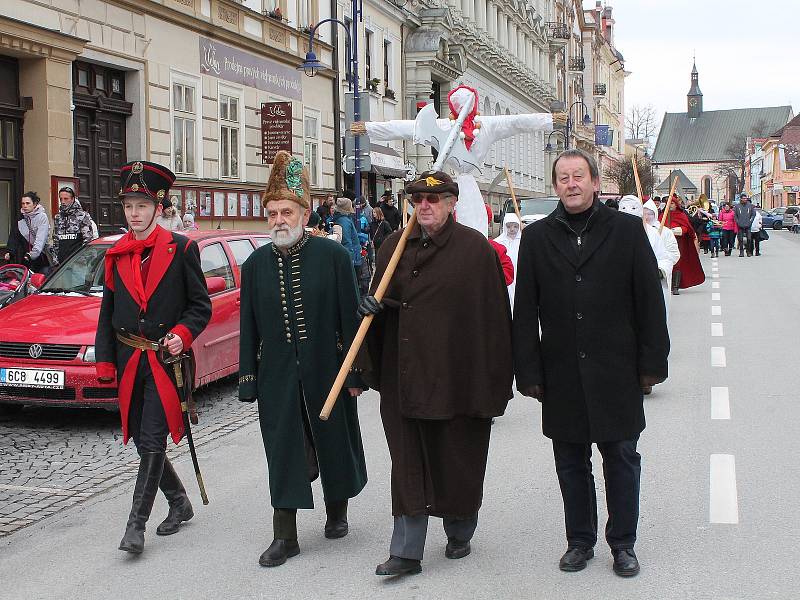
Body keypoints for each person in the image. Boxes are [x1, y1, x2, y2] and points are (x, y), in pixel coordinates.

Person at [513, 149, 669, 578]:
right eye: (562, 177)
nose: (571, 184)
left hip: (615, 369)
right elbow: (525, 309)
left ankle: (623, 543)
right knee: (570, 460)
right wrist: (528, 371)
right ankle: (580, 540)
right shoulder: (537, 237)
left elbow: (649, 302)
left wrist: (652, 363)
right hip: (561, 371)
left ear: (596, 182)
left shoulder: (627, 230)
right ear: (556, 185)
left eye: (578, 176)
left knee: (621, 456)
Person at [357, 170, 513, 577]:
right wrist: (372, 311)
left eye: (434, 199)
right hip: (404, 376)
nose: (424, 206)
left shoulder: (475, 251)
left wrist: (496, 382)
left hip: (457, 378)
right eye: (417, 200)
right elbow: (379, 304)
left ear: (450, 204)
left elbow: (494, 320)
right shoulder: (393, 246)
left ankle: (460, 526)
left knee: (455, 457)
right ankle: (406, 551)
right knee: (406, 463)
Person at [238, 151, 367, 568]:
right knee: (283, 449)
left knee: (332, 438)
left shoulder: (333, 258)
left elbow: (350, 319)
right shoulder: (255, 265)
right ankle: (285, 535)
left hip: (326, 368)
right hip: (276, 375)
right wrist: (248, 377)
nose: (278, 219)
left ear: (304, 212)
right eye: (272, 212)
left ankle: (338, 507)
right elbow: (249, 327)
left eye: (286, 211)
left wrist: (355, 372)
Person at [95, 160, 212, 555]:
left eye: (142, 206)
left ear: (159, 207)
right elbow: (107, 313)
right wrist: (105, 360)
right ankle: (179, 501)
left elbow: (200, 307)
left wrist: (182, 336)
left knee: (150, 441)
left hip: (166, 363)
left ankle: (135, 527)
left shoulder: (182, 249)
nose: (134, 213)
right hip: (130, 362)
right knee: (146, 442)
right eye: (129, 206)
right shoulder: (116, 254)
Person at [619, 196, 677, 330]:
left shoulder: (652, 234)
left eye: (633, 208)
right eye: (623, 208)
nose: (628, 211)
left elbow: (665, 258)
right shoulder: (610, 233)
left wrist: (659, 271)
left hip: (646, 287)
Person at [660, 195, 705, 294]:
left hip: (678, 242)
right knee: (665, 262)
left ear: (676, 205)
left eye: (671, 203)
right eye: (668, 203)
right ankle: (667, 284)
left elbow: (687, 228)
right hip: (664, 242)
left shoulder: (681, 215)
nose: (670, 205)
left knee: (677, 263)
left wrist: (676, 231)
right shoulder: (662, 215)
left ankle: (675, 287)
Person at [4, 191, 51, 273]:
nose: (25, 206)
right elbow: (15, 236)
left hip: (41, 256)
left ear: (35, 204)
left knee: (41, 281)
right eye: (23, 203)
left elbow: (41, 239)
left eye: (28, 203)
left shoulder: (42, 217)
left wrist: (32, 254)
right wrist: (10, 252)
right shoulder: (21, 218)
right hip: (25, 256)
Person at [52, 186, 94, 265]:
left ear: (73, 199)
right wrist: (55, 259)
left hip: (78, 263)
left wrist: (83, 259)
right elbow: (56, 240)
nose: (63, 201)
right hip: (62, 264)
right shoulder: (58, 217)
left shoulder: (82, 216)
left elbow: (88, 240)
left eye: (66, 199)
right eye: (61, 199)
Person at [493, 212, 522, 308]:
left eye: (515, 226)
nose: (512, 229)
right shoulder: (498, 242)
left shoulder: (523, 240)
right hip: (506, 277)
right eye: (509, 226)